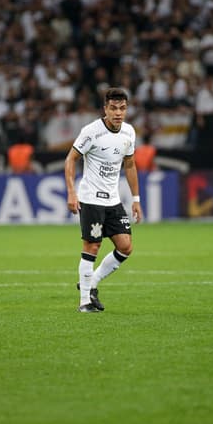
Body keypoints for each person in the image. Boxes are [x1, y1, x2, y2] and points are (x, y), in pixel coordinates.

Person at [65, 87, 143, 313]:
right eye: (113, 108)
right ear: (105, 109)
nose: (118, 113)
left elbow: (129, 164)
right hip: (91, 199)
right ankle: (84, 302)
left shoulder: (129, 132)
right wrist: (71, 192)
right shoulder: (91, 132)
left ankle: (91, 284)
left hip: (113, 200)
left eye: (122, 108)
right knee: (93, 245)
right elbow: (71, 160)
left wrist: (136, 199)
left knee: (125, 246)